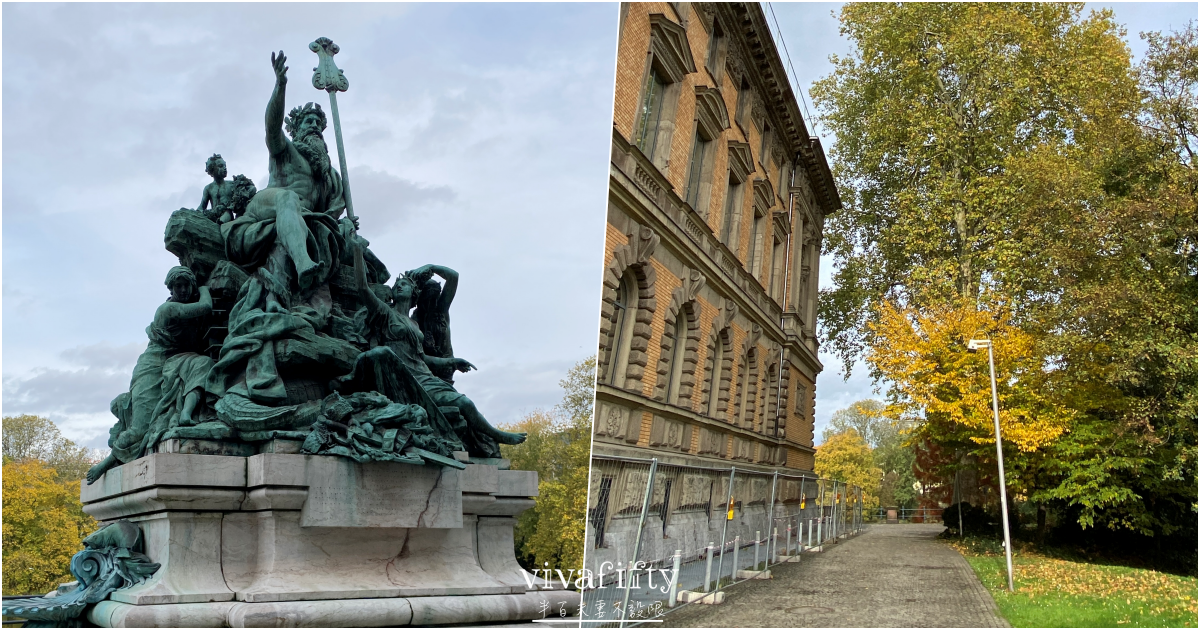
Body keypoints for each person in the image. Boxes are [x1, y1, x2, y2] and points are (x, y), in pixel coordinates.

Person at [352, 244, 525, 458]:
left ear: (414, 293)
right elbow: (362, 288)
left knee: (464, 402)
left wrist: (451, 362)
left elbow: (422, 358)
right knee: (463, 404)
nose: (399, 287)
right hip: (404, 377)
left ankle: (493, 435)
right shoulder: (385, 313)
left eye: (404, 284)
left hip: (424, 375)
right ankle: (496, 435)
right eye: (397, 285)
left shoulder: (414, 325)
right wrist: (357, 251)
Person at [221, 50, 350, 291]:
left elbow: (332, 212)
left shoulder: (329, 175)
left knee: (352, 240)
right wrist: (280, 85)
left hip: (303, 219)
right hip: (265, 207)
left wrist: (348, 225)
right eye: (308, 121)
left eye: (318, 124)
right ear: (296, 128)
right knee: (287, 197)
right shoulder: (286, 151)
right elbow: (271, 127)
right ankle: (304, 265)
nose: (314, 126)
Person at [87, 267, 214, 484]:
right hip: (153, 365)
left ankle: (186, 415)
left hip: (177, 361)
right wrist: (204, 288)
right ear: (170, 288)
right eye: (178, 286)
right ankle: (109, 461)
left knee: (202, 364)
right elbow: (206, 306)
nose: (182, 290)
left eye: (186, 285)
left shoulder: (193, 319)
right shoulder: (167, 309)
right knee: (138, 428)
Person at [410, 264, 458, 384]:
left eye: (436, 294)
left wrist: (432, 267)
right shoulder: (413, 319)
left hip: (445, 369)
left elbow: (453, 277)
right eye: (427, 295)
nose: (432, 300)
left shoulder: (441, 310)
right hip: (424, 369)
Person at [196, 154, 237, 223]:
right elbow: (202, 207)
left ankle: (219, 224)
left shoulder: (232, 184)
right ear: (212, 169)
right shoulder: (208, 188)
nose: (224, 168)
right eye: (221, 166)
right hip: (214, 215)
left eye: (225, 166)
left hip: (228, 215)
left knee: (227, 213)